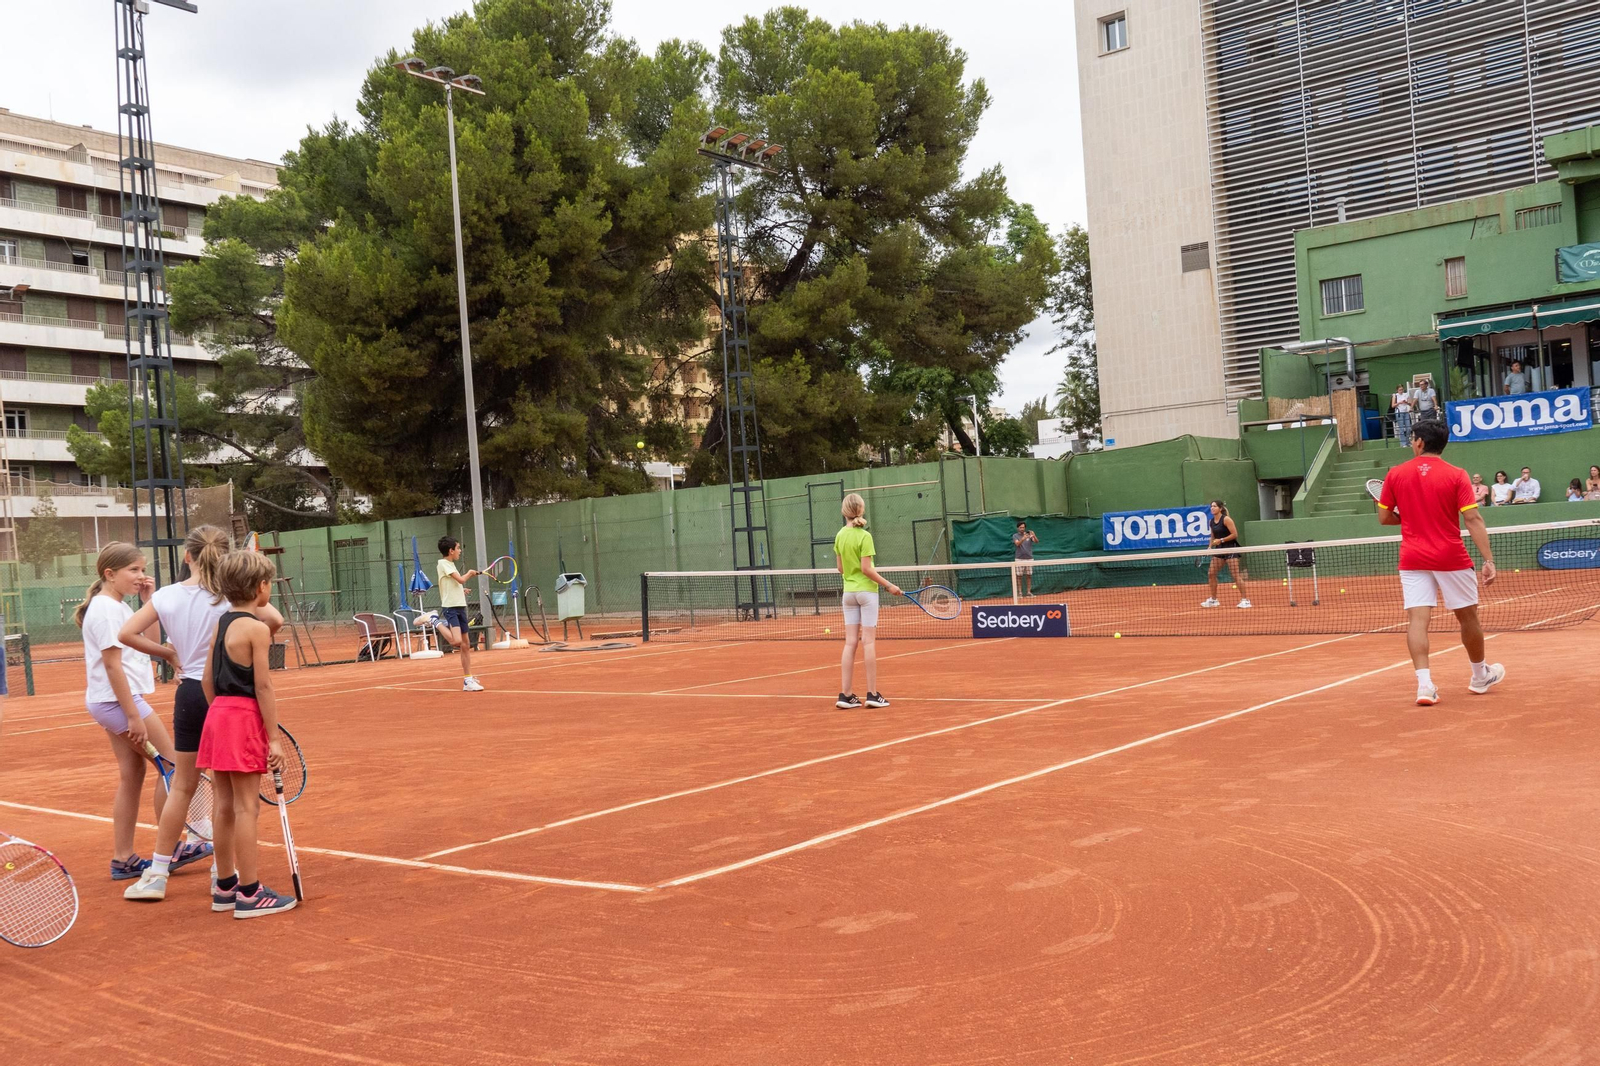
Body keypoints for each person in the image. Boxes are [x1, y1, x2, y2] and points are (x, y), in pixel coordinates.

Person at [117, 526, 231, 901]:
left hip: (189, 695)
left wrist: (168, 653)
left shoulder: (166, 596)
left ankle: (156, 874)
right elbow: (270, 620)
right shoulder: (231, 595)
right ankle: (222, 875)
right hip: (223, 695)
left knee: (182, 785)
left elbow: (127, 634)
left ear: (187, 556)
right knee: (226, 790)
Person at [1376, 418, 1503, 706]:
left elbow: (1384, 517)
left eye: (1412, 439)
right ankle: (1479, 676)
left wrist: (1409, 517)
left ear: (1420, 442)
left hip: (1412, 557)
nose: (1412, 443)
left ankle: (1425, 686)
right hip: (1451, 557)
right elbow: (1473, 518)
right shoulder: (1457, 475)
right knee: (1468, 618)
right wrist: (1489, 560)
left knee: (1417, 621)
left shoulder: (1395, 474)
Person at [198, 551, 295, 918]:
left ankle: (225, 887)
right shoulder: (257, 629)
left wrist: (220, 716)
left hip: (217, 716)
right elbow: (264, 686)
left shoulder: (220, 624)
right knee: (246, 808)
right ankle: (250, 893)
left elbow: (206, 680)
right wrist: (273, 739)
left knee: (224, 806)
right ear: (261, 588)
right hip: (242, 718)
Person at [77, 542, 180, 880]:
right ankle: (171, 849)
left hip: (110, 701)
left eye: (142, 569)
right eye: (133, 570)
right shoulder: (106, 609)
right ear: (110, 574)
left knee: (132, 773)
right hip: (117, 702)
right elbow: (112, 665)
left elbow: (149, 642)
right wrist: (133, 715)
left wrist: (149, 601)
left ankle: (123, 859)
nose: (140, 576)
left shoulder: (117, 605)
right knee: (172, 767)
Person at [833, 492, 901, 710]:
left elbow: (841, 568)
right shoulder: (865, 536)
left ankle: (846, 695)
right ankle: (872, 694)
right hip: (867, 593)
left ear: (844, 511)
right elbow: (866, 569)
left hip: (848, 594)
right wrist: (889, 585)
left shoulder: (840, 535)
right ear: (861, 510)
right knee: (868, 642)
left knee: (850, 643)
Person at [436, 537, 484, 692]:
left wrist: (460, 591)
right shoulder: (443, 563)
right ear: (451, 551)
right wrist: (470, 573)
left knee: (466, 645)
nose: (460, 551)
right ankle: (434, 621)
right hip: (450, 608)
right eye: (457, 548)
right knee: (456, 641)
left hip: (460, 606)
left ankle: (468, 680)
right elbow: (461, 580)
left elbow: (453, 584)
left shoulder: (451, 565)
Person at [1201, 500, 1251, 610]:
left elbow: (1235, 534)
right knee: (1211, 573)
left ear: (1220, 508)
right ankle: (1214, 600)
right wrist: (1210, 547)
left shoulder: (1226, 519)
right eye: (1211, 506)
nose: (1212, 508)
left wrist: (1221, 540)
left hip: (1231, 548)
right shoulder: (1211, 521)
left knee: (1235, 575)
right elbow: (1212, 536)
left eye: (1214, 506)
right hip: (1220, 550)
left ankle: (1245, 600)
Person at [1013, 520, 1039, 597]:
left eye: (1023, 527)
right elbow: (1017, 544)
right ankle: (1020, 593)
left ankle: (1028, 592)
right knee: (1019, 576)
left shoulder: (1029, 535)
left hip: (1029, 558)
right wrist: (1023, 538)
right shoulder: (1015, 536)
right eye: (1020, 527)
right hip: (1019, 559)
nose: (1022, 529)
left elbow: (1036, 541)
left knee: (1029, 575)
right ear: (1018, 528)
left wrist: (1034, 535)